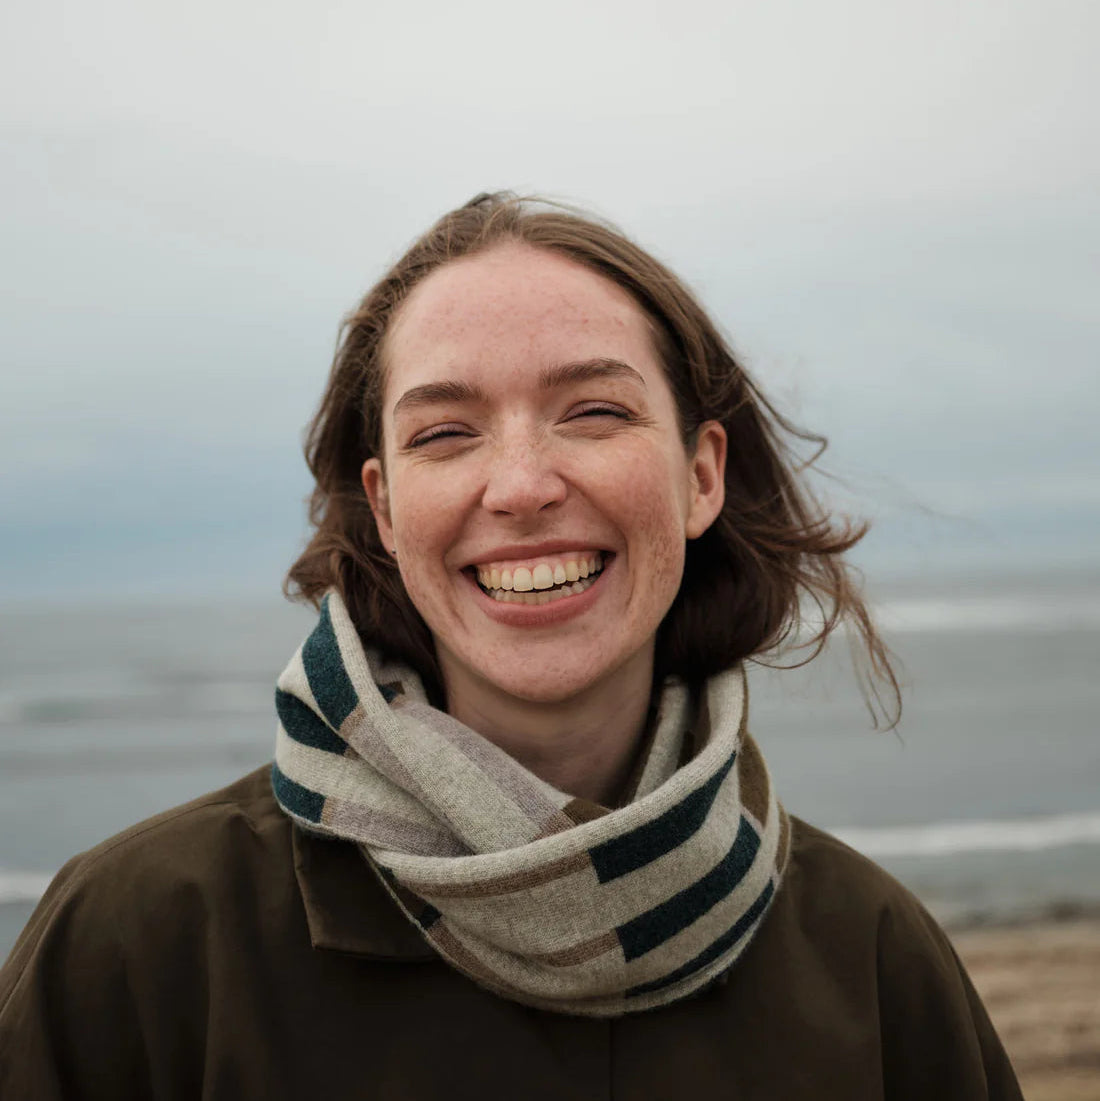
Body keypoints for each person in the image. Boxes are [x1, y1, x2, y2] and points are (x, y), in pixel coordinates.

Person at [0, 193, 1022, 1098]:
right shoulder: (144, 942)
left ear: (700, 475)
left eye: (593, 410)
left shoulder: (872, 961)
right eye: (444, 432)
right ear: (386, 507)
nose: (522, 485)